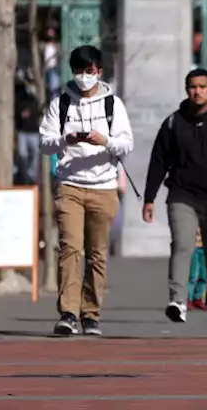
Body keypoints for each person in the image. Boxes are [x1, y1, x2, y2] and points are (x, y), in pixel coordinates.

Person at [39, 45, 134, 337]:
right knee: (70, 248)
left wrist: (103, 140)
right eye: (79, 70)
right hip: (69, 185)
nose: (84, 76)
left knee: (96, 253)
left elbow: (126, 144)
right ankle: (68, 312)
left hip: (104, 188)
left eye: (89, 70)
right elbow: (44, 143)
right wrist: (65, 139)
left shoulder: (113, 105)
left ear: (99, 71)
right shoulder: (60, 103)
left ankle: (90, 314)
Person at [143, 68, 207, 324]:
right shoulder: (173, 123)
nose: (197, 91)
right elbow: (158, 161)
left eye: (202, 86)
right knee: (182, 245)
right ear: (186, 89)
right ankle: (178, 301)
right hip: (182, 195)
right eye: (192, 86)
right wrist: (149, 198)